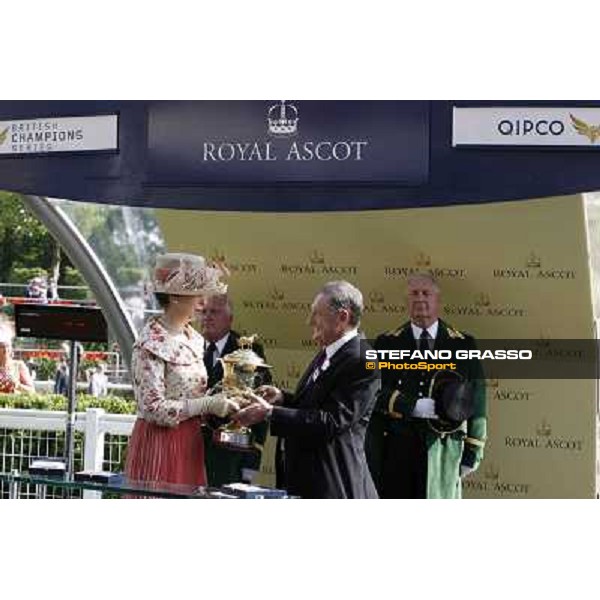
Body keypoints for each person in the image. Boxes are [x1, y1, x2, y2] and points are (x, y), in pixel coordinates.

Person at [234, 281, 380, 499]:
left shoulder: (361, 358)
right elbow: (315, 405)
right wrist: (283, 399)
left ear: (342, 317)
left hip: (334, 486)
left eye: (316, 314)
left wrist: (270, 413)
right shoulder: (330, 351)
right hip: (308, 481)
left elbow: (332, 421)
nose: (309, 321)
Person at [124, 253, 241, 487]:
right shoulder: (150, 343)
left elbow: (190, 394)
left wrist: (220, 400)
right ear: (175, 297)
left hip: (191, 441)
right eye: (198, 293)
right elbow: (153, 408)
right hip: (160, 443)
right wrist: (206, 404)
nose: (203, 302)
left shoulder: (194, 338)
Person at [365, 273, 487, 499]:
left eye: (426, 293)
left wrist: (473, 450)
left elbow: (477, 401)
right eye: (414, 293)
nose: (420, 299)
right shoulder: (387, 342)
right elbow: (373, 392)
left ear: (438, 301)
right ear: (406, 302)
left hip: (443, 452)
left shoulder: (462, 343)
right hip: (397, 451)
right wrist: (411, 405)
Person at [199, 293, 272, 486]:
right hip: (187, 450)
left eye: (214, 311)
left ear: (230, 319)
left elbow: (247, 404)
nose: (207, 316)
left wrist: (250, 464)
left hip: (229, 455)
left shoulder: (248, 352)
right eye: (203, 311)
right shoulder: (190, 347)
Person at [0, 321, 35, 394]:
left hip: (14, 403)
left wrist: (17, 385)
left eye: (7, 346)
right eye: (2, 346)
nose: (5, 350)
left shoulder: (19, 365)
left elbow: (32, 391)